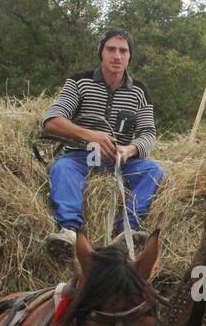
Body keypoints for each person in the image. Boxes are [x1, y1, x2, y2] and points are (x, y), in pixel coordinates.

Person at [42, 28, 164, 258]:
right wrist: (90, 135)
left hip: (120, 161)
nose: (116, 56)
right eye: (111, 49)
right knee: (62, 168)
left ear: (129, 56)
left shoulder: (139, 91)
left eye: (123, 51)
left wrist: (130, 149)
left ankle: (127, 229)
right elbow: (51, 120)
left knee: (153, 170)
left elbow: (148, 133)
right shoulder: (79, 82)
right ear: (101, 53)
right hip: (81, 156)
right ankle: (69, 230)